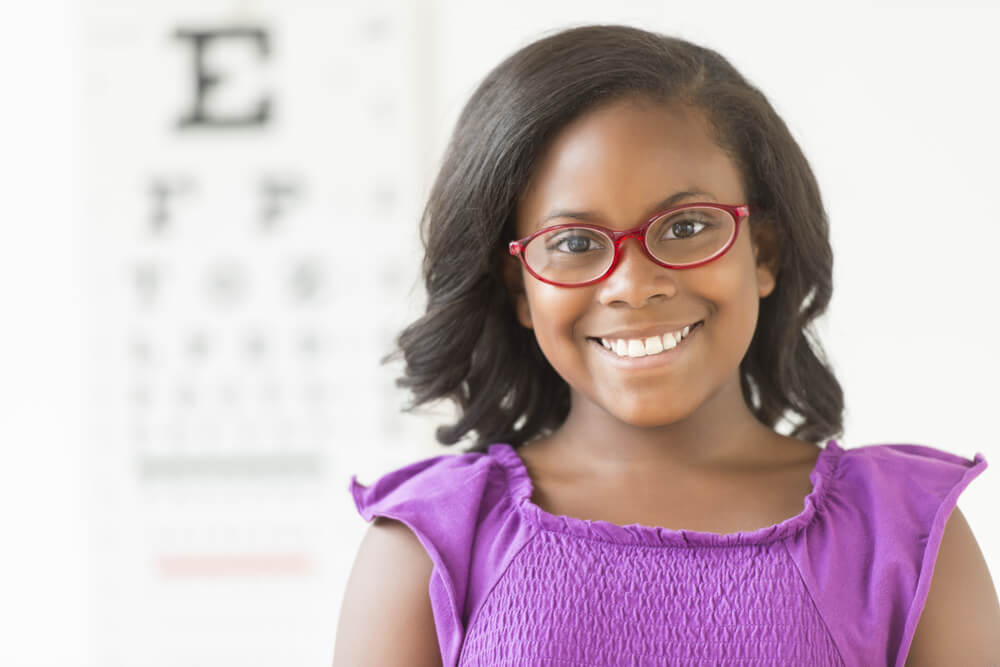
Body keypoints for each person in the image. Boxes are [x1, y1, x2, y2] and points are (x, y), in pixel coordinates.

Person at [332, 24, 998, 667]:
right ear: (519, 288)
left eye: (685, 226)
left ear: (760, 251)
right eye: (572, 243)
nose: (633, 284)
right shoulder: (431, 546)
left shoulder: (907, 538)